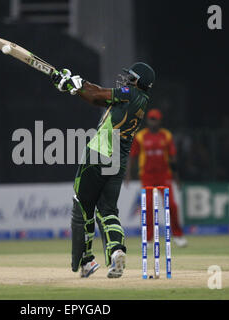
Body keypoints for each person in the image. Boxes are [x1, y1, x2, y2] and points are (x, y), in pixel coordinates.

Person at [51, 62, 155, 278]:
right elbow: (95, 96)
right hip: (118, 157)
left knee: (82, 206)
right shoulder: (140, 100)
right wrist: (74, 86)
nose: (126, 80)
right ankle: (116, 251)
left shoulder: (130, 93)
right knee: (107, 210)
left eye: (130, 77)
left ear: (138, 81)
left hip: (99, 152)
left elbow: (98, 95)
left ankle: (85, 262)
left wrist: (76, 84)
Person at [125, 109, 187, 247]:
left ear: (160, 121)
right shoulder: (140, 136)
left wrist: (176, 178)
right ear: (148, 120)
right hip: (147, 176)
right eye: (151, 119)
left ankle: (178, 235)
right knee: (147, 207)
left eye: (155, 119)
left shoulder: (166, 135)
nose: (153, 122)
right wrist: (128, 174)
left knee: (172, 205)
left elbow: (173, 158)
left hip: (164, 175)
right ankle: (148, 238)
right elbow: (133, 156)